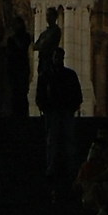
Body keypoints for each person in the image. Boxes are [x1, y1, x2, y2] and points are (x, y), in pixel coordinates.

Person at [37, 54, 83, 184]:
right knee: (53, 141)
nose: (57, 60)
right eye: (56, 57)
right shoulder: (48, 75)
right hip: (53, 112)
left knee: (67, 140)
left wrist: (72, 106)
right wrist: (44, 107)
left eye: (59, 57)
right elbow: (41, 93)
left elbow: (76, 92)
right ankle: (53, 167)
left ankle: (69, 167)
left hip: (65, 111)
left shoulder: (67, 75)